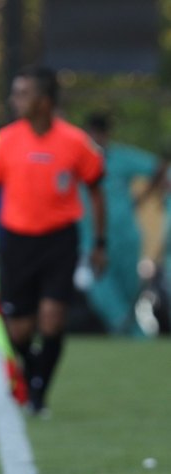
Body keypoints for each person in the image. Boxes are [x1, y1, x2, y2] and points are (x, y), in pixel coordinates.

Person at [0, 67, 106, 417]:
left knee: (52, 319)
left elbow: (96, 192)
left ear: (44, 102)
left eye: (23, 93)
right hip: (16, 240)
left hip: (59, 240)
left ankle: (39, 392)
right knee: (19, 329)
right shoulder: (6, 140)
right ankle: (32, 372)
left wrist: (100, 243)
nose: (14, 100)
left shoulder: (75, 142)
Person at [81, 113, 166, 337]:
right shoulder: (78, 159)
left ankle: (134, 333)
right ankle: (122, 328)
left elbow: (157, 168)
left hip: (124, 236)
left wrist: (142, 200)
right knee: (100, 288)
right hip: (92, 237)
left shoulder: (121, 157)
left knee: (129, 289)